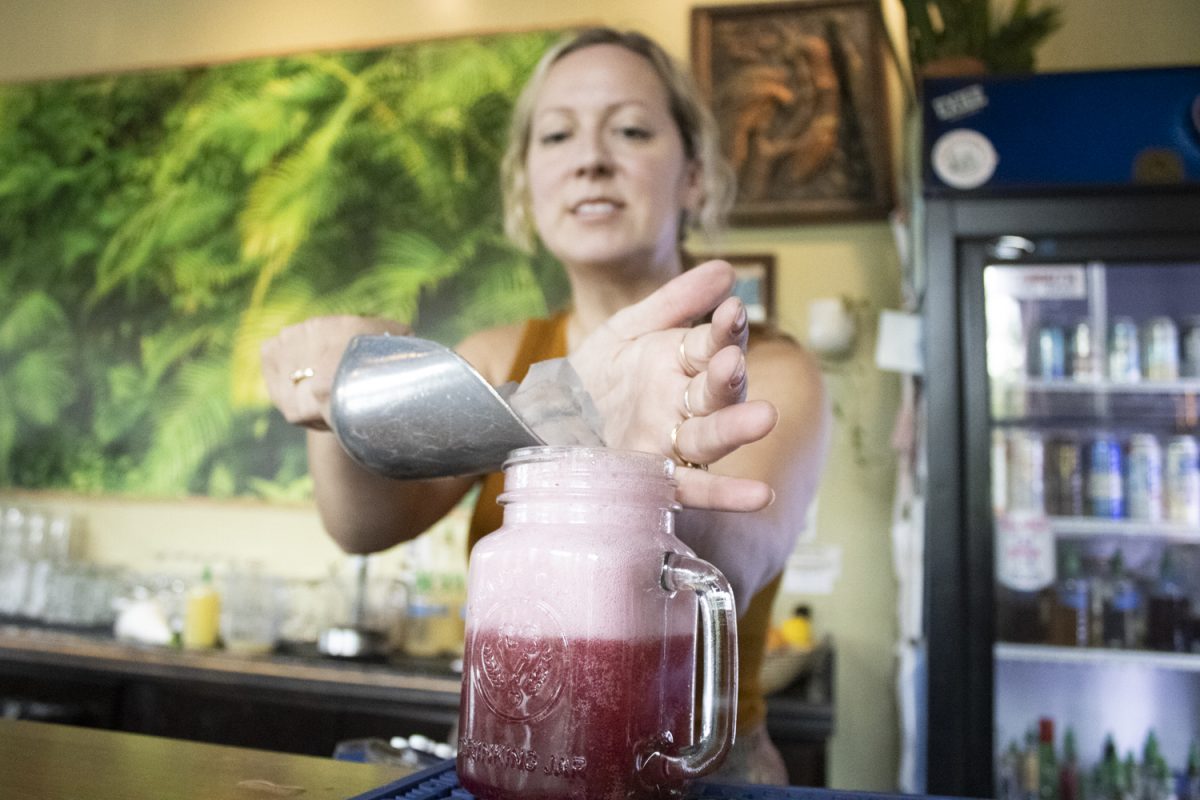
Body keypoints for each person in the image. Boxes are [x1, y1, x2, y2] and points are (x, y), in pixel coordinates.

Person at [260, 27, 830, 785]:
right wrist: (336, 398)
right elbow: (364, 524)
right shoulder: (501, 356)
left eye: (629, 129)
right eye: (557, 135)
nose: (590, 158)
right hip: (516, 764)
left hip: (696, 778)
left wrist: (611, 468)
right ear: (527, 184)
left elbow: (725, 561)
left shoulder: (770, 368)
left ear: (693, 176)